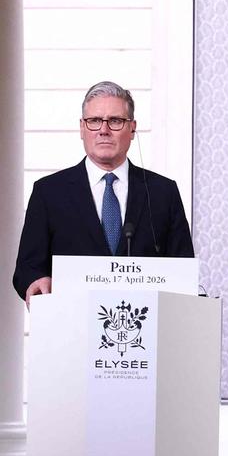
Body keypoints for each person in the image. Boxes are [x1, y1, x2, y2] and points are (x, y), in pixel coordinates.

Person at [12, 80, 195, 305]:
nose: (104, 130)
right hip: (72, 325)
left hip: (143, 329)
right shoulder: (48, 192)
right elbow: (26, 269)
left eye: (116, 121)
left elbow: (182, 269)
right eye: (94, 121)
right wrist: (35, 281)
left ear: (132, 128)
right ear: (82, 128)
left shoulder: (162, 192)